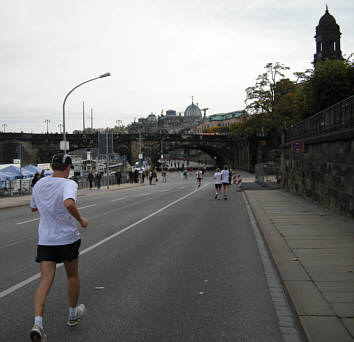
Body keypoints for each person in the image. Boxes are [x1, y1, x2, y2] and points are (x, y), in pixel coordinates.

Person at [29, 153, 88, 342]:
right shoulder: (68, 184)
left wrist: (47, 205)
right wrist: (80, 220)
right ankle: (72, 314)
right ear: (69, 168)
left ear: (53, 166)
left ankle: (38, 323)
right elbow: (69, 203)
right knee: (72, 275)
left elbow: (33, 208)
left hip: (46, 239)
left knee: (45, 280)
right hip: (66, 239)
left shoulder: (39, 184)